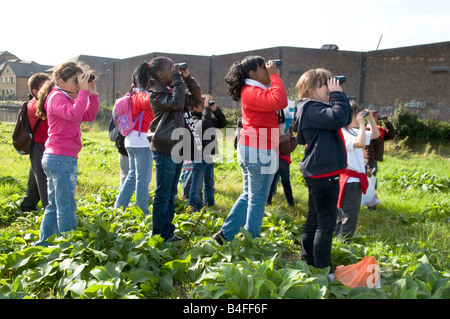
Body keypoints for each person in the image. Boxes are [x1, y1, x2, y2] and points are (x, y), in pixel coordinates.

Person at [213, 56, 288, 244]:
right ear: (253, 73)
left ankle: (225, 235)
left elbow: (276, 99)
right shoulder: (251, 91)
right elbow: (280, 100)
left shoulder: (253, 91)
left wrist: (272, 77)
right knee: (258, 199)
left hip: (254, 149)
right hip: (259, 150)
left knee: (249, 195)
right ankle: (250, 242)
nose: (269, 69)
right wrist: (275, 77)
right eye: (264, 67)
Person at [292, 68, 352, 272]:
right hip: (323, 172)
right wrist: (336, 96)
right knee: (326, 224)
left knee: (314, 219)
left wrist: (339, 95)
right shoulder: (311, 108)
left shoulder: (309, 108)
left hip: (319, 170)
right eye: (325, 83)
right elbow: (337, 118)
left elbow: (343, 118)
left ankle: (308, 262)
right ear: (310, 89)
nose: (330, 87)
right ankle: (323, 269)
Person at [34, 62, 99, 246]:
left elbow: (88, 115)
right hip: (61, 159)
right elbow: (75, 113)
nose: (79, 85)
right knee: (66, 206)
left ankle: (44, 243)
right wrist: (84, 92)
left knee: (55, 205)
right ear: (61, 82)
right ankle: (70, 246)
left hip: (57, 157)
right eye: (75, 81)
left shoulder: (64, 96)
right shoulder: (57, 98)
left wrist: (92, 95)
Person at [148, 56, 202, 242]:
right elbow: (175, 104)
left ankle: (167, 231)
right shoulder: (156, 92)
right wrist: (179, 80)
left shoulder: (174, 88)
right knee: (163, 192)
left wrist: (187, 78)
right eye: (171, 68)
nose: (175, 70)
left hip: (177, 145)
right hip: (165, 147)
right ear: (159, 73)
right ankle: (159, 234)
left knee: (171, 191)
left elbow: (196, 101)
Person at [114, 62, 155, 215]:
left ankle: (119, 207)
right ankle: (142, 211)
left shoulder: (133, 94)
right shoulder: (143, 96)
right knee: (143, 180)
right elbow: (153, 101)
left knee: (132, 175)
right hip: (142, 141)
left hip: (131, 140)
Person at [335, 102, 379, 241]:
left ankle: (337, 240)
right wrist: (361, 124)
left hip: (355, 180)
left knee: (344, 214)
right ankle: (343, 244)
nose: (359, 116)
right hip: (349, 180)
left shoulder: (352, 131)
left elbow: (374, 135)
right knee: (349, 215)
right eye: (356, 113)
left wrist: (370, 119)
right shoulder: (341, 132)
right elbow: (359, 143)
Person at [189, 95, 227, 211]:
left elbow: (222, 123)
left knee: (209, 182)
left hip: (208, 154)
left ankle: (209, 204)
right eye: (203, 105)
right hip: (199, 155)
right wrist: (207, 110)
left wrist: (215, 110)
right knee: (197, 183)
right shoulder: (193, 118)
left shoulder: (206, 117)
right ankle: (195, 207)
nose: (205, 107)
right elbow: (204, 126)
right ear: (195, 108)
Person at [20, 73, 51, 212]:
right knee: (45, 182)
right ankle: (49, 211)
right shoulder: (35, 105)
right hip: (40, 146)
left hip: (39, 147)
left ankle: (28, 205)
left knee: (35, 176)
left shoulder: (36, 103)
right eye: (46, 87)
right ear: (35, 92)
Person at [363, 110, 396, 210]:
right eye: (378, 117)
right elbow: (369, 149)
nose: (380, 119)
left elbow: (391, 135)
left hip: (373, 161)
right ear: (371, 119)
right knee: (371, 184)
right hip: (369, 160)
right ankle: (370, 207)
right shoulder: (369, 131)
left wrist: (387, 123)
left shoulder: (379, 131)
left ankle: (369, 205)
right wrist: (369, 165)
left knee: (371, 183)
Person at [267, 124, 297, 207]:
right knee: (286, 182)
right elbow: (287, 148)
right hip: (282, 160)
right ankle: (290, 203)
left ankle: (268, 201)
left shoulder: (273, 128)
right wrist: (295, 141)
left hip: (273, 158)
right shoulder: (285, 130)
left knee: (272, 181)